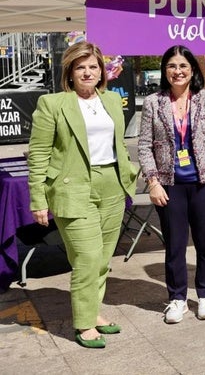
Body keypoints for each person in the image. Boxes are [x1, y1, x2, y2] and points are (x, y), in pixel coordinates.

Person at [27, 41, 138, 349]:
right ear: (70, 72)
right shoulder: (53, 104)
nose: (88, 72)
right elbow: (38, 154)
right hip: (72, 187)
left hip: (112, 184)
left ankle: (94, 311)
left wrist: (129, 174)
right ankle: (84, 323)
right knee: (87, 258)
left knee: (102, 259)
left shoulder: (113, 101)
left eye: (93, 66)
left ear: (102, 70)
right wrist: (38, 199)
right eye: (80, 67)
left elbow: (118, 144)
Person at [138, 45, 205, 324]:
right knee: (175, 246)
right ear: (165, 71)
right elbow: (144, 146)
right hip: (170, 185)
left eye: (183, 66)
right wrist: (153, 182)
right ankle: (177, 298)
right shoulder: (154, 102)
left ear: (192, 70)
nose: (177, 72)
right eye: (172, 67)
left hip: (203, 183)